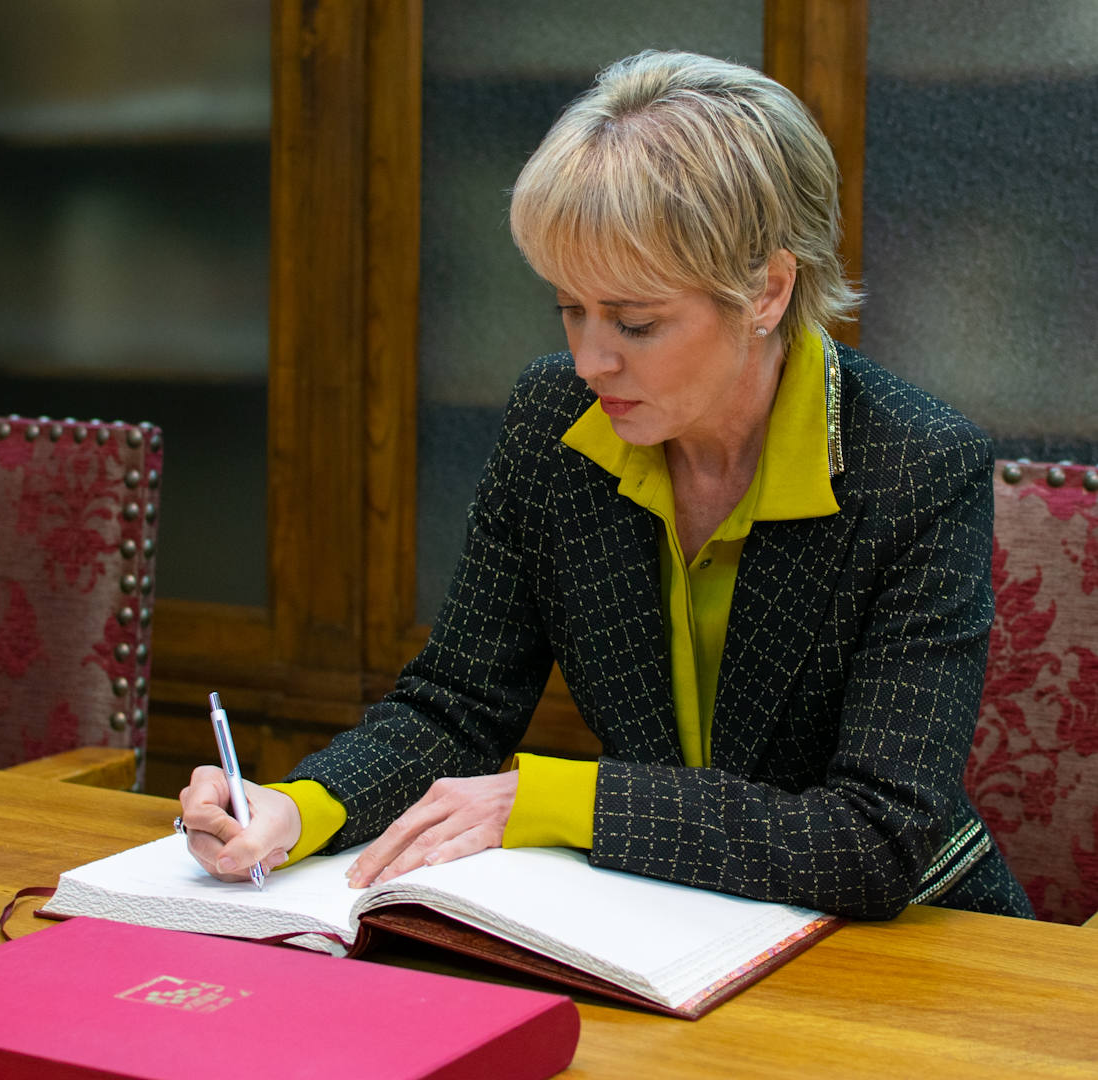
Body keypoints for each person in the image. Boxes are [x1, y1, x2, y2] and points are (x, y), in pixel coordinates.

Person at [178, 49, 1032, 920]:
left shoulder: (919, 467)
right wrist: (297, 807)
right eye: (569, 308)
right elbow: (459, 702)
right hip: (668, 921)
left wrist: (555, 802)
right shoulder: (554, 421)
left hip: (912, 948)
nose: (590, 360)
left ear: (769, 290)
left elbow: (874, 838)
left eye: (635, 322)